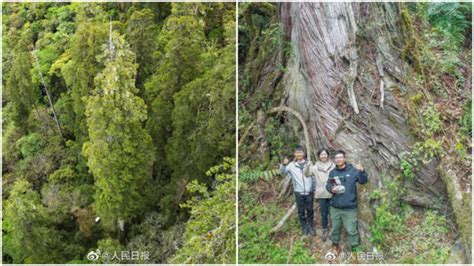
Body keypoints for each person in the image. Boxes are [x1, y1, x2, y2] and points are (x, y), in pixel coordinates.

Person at [326, 150, 368, 255]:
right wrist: (332, 189)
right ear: (334, 160)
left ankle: (354, 251)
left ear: (344, 158)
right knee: (335, 228)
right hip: (335, 207)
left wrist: (362, 171)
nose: (338, 159)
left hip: (349, 208)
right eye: (336, 158)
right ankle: (335, 246)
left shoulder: (353, 170)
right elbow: (328, 185)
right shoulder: (333, 172)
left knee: (351, 230)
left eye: (340, 157)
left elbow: (363, 181)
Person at [280, 145, 316, 236]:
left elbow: (314, 177)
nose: (299, 154)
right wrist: (284, 164)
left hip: (309, 192)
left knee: (310, 210)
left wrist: (314, 189)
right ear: (294, 154)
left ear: (304, 154)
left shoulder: (309, 163)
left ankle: (310, 226)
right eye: (297, 152)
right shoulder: (291, 165)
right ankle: (304, 228)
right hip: (298, 192)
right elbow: (282, 172)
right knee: (301, 211)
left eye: (300, 152)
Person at [304, 148, 334, 241]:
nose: (323, 156)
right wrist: (308, 166)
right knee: (324, 213)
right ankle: (324, 229)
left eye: (325, 154)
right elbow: (307, 174)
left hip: (332, 192)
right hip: (321, 193)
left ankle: (333, 230)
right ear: (319, 156)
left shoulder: (333, 165)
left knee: (333, 213)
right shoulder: (315, 167)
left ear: (328, 155)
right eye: (321, 154)